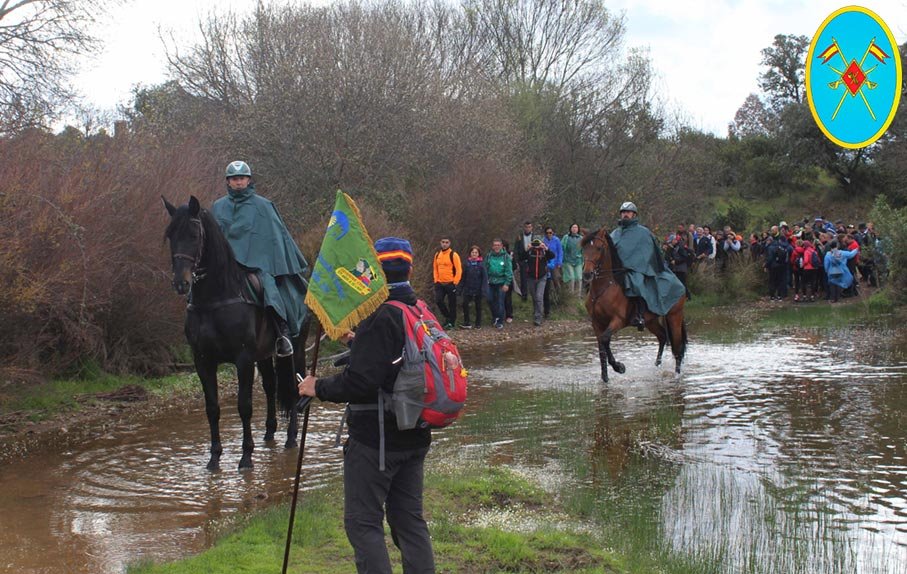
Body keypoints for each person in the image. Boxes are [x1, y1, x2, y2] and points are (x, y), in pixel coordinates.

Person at [297, 237, 435, 574]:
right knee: (409, 522)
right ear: (410, 268)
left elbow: (359, 384)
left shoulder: (380, 316)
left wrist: (317, 387)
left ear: (374, 272)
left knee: (362, 524)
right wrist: (359, 341)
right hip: (415, 434)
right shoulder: (418, 309)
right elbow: (394, 359)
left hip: (376, 442)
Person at [210, 160, 308, 357]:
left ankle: (282, 332)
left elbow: (273, 238)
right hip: (227, 266)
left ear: (248, 180)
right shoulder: (218, 207)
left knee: (268, 287)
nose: (238, 182)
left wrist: (264, 261)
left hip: (257, 264)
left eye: (242, 178)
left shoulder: (263, 206)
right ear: (228, 182)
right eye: (234, 179)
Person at [609, 202, 686, 329]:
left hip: (639, 268)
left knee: (637, 283)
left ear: (634, 214)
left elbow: (650, 252)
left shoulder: (643, 232)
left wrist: (636, 264)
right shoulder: (615, 233)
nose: (625, 215)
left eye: (628, 212)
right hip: (618, 269)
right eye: (623, 212)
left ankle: (639, 316)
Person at [432, 236, 461, 329]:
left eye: (446, 242)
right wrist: (436, 280)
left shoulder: (453, 255)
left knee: (452, 304)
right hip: (440, 283)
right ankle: (448, 317)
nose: (444, 244)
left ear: (449, 243)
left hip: (450, 283)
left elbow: (459, 270)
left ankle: (452, 323)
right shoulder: (437, 254)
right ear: (440, 243)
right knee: (438, 301)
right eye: (443, 242)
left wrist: (455, 282)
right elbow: (435, 268)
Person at [485, 238, 513, 329]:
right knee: (490, 299)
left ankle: (500, 321)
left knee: (500, 301)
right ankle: (495, 316)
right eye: (495, 245)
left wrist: (507, 283)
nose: (496, 247)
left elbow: (509, 271)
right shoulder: (489, 256)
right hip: (491, 282)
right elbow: (485, 269)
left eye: (498, 245)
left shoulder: (506, 257)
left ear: (501, 246)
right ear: (493, 246)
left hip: (502, 282)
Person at [526, 238, 553, 326]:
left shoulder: (543, 252)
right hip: (531, 277)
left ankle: (538, 317)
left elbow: (552, 256)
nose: (537, 245)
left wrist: (546, 248)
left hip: (542, 277)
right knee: (534, 297)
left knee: (539, 297)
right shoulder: (530, 252)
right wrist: (527, 249)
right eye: (535, 243)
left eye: (538, 243)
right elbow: (521, 257)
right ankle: (536, 313)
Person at [460, 245, 488, 329]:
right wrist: (460, 288)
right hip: (468, 288)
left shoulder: (482, 264)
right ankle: (467, 322)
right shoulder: (466, 264)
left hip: (478, 288)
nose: (474, 254)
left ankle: (478, 323)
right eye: (473, 252)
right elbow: (463, 277)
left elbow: (484, 278)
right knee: (465, 304)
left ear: (478, 254)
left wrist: (484, 289)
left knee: (478, 306)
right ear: (470, 254)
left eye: (476, 252)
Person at [542, 225, 563, 318]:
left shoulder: (557, 240)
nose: (549, 234)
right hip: (546, 264)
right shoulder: (543, 241)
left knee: (556, 281)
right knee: (547, 283)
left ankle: (559, 298)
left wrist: (559, 262)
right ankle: (550, 299)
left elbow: (560, 251)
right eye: (547, 233)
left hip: (555, 264)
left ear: (553, 233)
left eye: (550, 232)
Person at [561, 223, 584, 296]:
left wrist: (583, 259)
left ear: (578, 229)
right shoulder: (566, 237)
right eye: (573, 227)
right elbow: (562, 248)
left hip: (578, 260)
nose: (574, 229)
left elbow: (583, 250)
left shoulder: (581, 238)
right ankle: (571, 295)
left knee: (579, 278)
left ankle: (578, 296)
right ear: (570, 229)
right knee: (571, 278)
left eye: (576, 227)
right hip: (568, 260)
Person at [513, 221, 534, 302]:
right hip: (523, 260)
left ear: (531, 228)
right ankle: (524, 296)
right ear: (524, 228)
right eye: (526, 227)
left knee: (532, 278)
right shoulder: (519, 237)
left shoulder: (535, 237)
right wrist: (517, 260)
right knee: (523, 279)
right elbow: (516, 249)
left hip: (532, 259)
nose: (528, 229)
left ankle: (533, 295)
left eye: (529, 227)